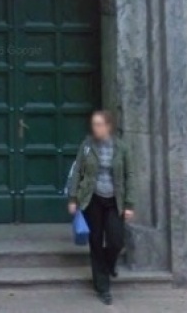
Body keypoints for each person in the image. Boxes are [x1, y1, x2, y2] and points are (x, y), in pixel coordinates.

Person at [67, 110, 136, 306]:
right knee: (96, 242)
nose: (95, 128)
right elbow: (77, 171)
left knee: (116, 240)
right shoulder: (87, 146)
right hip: (92, 199)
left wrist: (129, 204)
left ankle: (108, 264)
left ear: (108, 126)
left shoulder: (121, 147)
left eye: (99, 124)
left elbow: (130, 175)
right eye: (94, 124)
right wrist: (73, 198)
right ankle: (103, 288)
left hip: (115, 200)